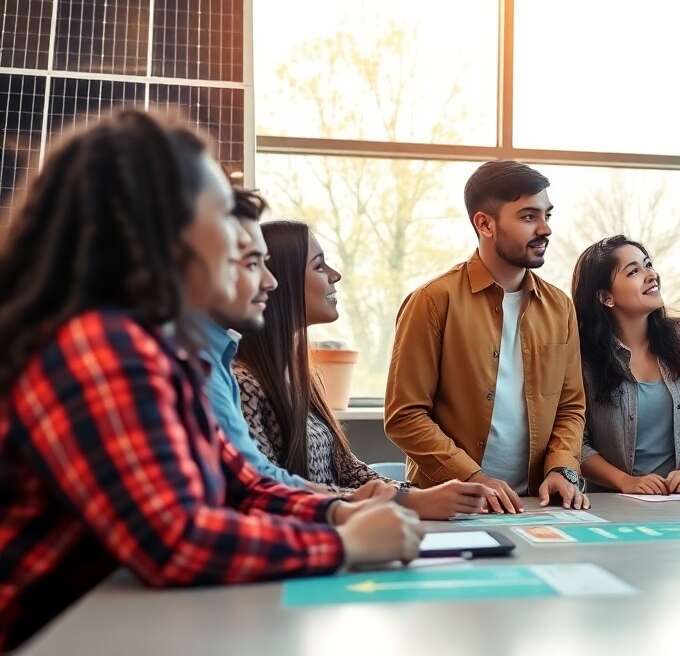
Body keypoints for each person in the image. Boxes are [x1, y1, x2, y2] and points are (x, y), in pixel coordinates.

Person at [0, 110, 422, 651]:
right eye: (224, 214)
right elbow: (176, 540)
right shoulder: (100, 344)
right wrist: (342, 543)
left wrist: (339, 509)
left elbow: (241, 482)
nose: (242, 240)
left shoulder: (165, 351)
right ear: (162, 225)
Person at [234, 220, 489, 519]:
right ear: (279, 282)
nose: (335, 275)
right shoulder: (243, 385)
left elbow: (349, 471)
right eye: (319, 266)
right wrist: (406, 502)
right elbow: (268, 491)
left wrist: (419, 495)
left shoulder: (299, 377)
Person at [384, 160, 589, 513]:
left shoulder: (560, 307)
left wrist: (562, 469)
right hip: (450, 507)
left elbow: (570, 407)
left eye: (547, 216)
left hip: (536, 506)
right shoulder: (432, 301)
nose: (545, 229)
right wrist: (474, 478)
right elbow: (405, 416)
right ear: (485, 223)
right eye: (528, 217)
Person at [571, 235, 680, 494]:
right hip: (611, 505)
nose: (650, 275)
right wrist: (625, 482)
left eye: (648, 264)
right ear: (606, 297)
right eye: (634, 271)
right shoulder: (581, 356)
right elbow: (575, 441)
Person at [199, 188, 317, 491]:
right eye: (252, 263)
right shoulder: (206, 369)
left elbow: (252, 478)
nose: (270, 281)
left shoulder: (216, 358)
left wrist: (342, 509)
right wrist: (344, 515)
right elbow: (248, 489)